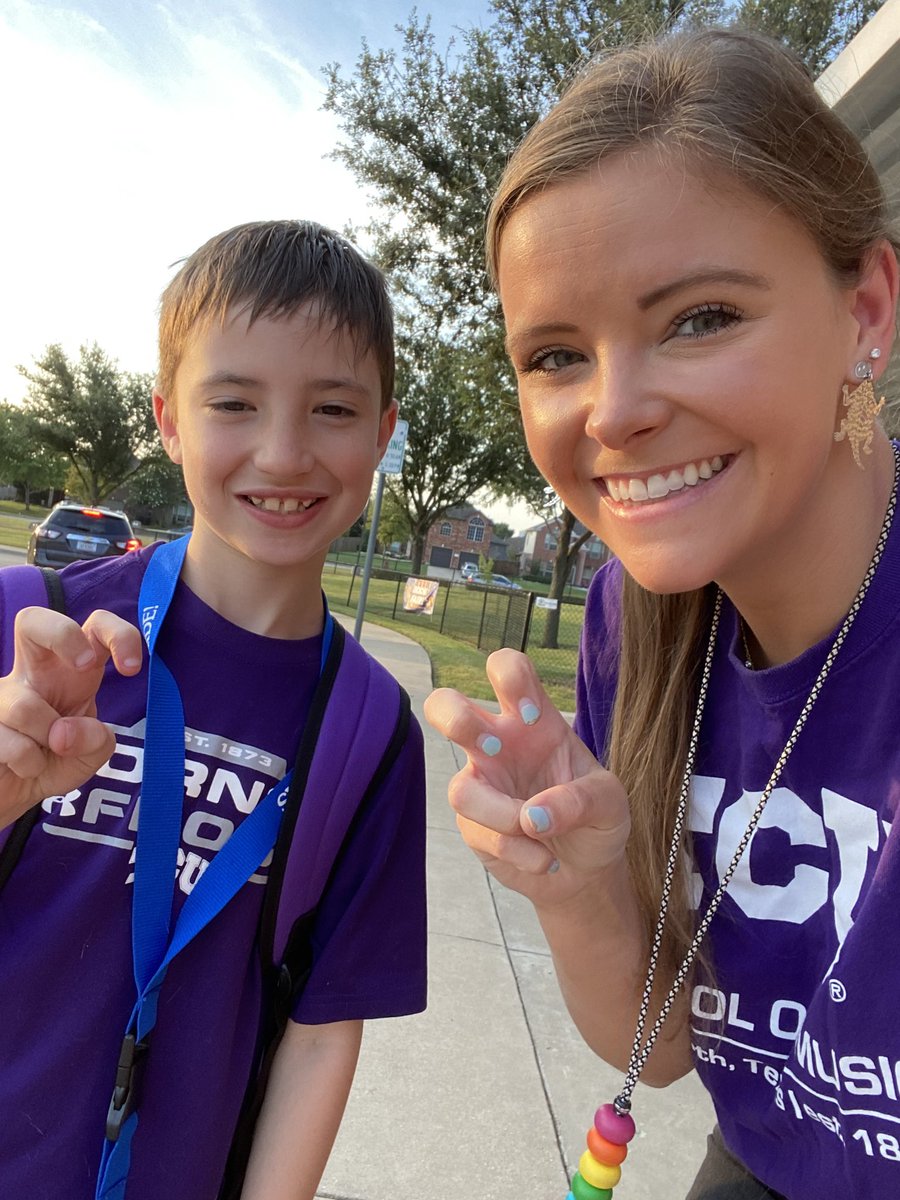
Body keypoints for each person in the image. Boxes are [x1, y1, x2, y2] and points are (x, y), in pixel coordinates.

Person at [424, 27, 900, 1200]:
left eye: (700, 318)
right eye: (554, 355)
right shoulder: (630, 623)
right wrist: (582, 887)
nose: (614, 411)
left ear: (867, 309)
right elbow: (666, 1044)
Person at [0, 220, 427, 1200]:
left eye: (331, 409)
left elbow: (323, 1034)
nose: (283, 454)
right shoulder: (35, 627)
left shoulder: (369, 732)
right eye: (234, 402)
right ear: (169, 419)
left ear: (381, 432)